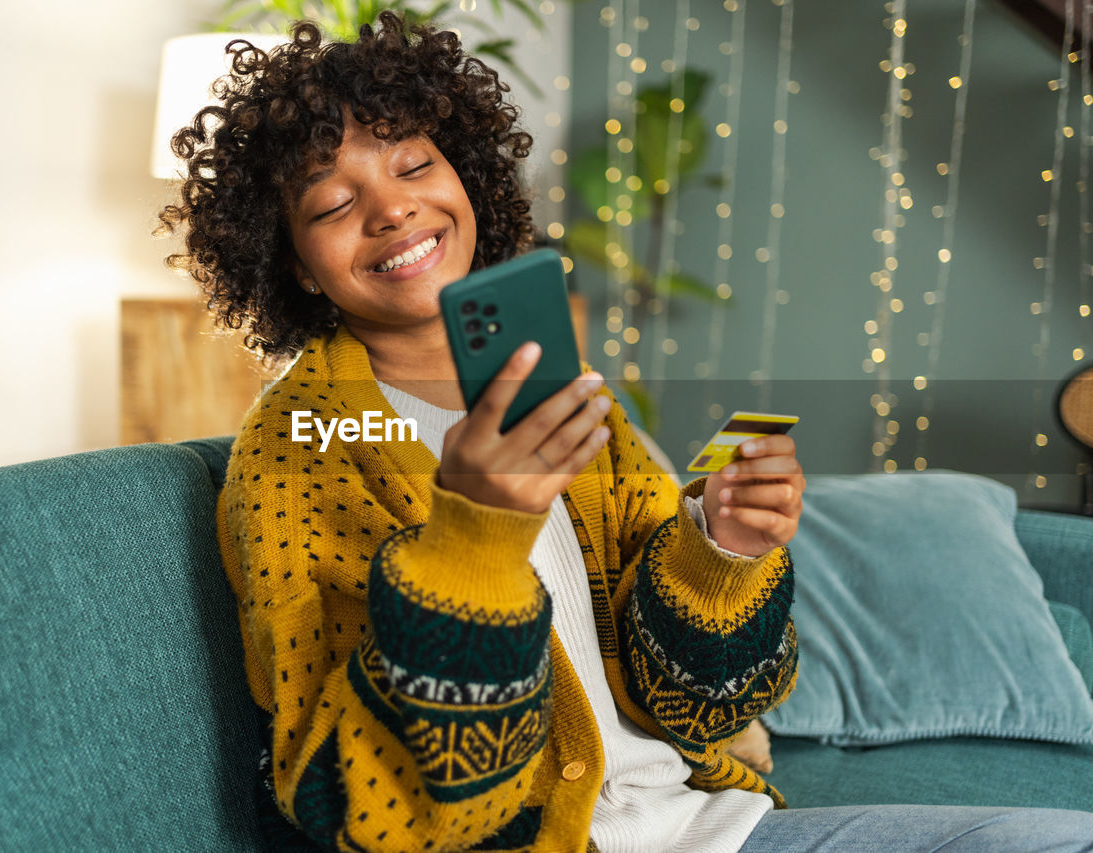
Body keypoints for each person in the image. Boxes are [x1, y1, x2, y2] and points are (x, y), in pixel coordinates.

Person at [158, 13, 1093, 853]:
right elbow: (369, 813)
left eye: (414, 164)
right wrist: (473, 537)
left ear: (466, 176)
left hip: (716, 827)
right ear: (298, 271)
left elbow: (703, 699)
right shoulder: (294, 458)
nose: (392, 207)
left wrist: (719, 548)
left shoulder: (561, 394)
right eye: (331, 203)